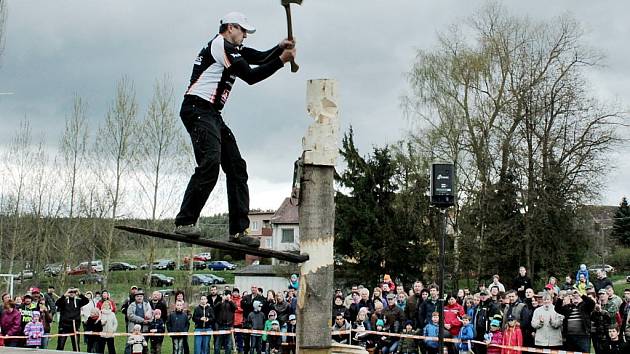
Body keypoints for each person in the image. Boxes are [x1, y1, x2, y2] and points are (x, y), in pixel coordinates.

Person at [173, 10, 297, 246]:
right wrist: (282, 60)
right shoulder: (221, 46)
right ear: (230, 28)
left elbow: (259, 57)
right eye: (243, 31)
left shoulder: (234, 49)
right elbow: (251, 75)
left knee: (237, 167)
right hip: (196, 109)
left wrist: (280, 47)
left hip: (211, 114)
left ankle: (238, 231)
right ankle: (185, 222)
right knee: (210, 162)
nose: (245, 37)